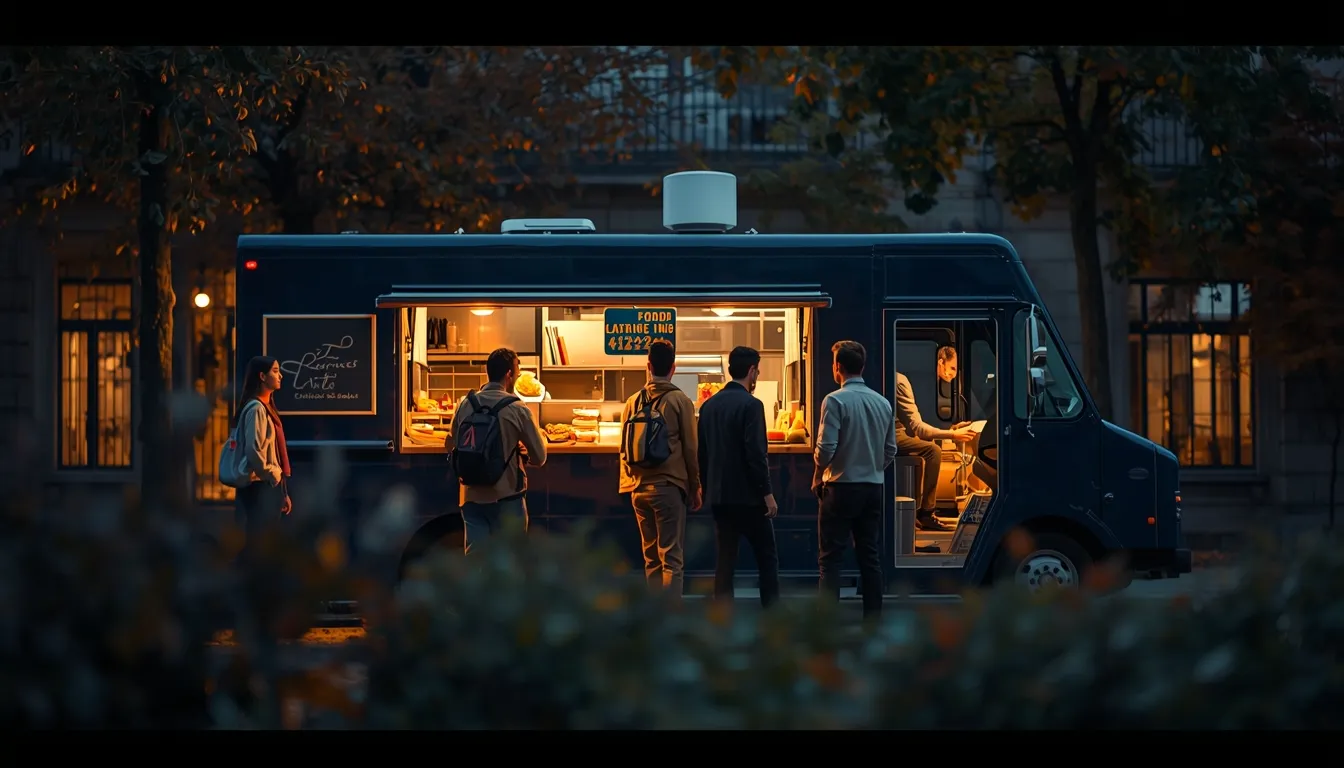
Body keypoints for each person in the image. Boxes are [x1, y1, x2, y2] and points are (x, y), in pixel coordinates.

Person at [813, 340, 896, 621]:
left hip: (840, 488)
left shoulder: (835, 400)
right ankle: (873, 622)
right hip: (873, 488)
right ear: (862, 366)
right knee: (869, 558)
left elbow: (825, 449)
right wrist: (873, 466)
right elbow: (891, 449)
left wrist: (822, 467)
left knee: (830, 560)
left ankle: (827, 625)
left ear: (838, 367)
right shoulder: (882, 403)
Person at [698, 345, 779, 608]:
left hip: (720, 497)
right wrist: (767, 494)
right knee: (767, 558)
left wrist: (704, 488)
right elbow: (756, 454)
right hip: (750, 498)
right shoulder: (752, 405)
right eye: (758, 371)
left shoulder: (708, 406)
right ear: (752, 371)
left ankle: (722, 621)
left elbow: (702, 454)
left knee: (725, 562)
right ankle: (773, 617)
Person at [619, 339, 701, 598]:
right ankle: (670, 619)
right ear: (673, 367)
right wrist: (695, 486)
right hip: (668, 488)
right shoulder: (680, 400)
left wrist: (629, 483)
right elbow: (691, 449)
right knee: (672, 558)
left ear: (648, 366)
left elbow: (623, 447)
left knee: (651, 557)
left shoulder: (632, 401)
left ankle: (653, 618)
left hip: (639, 489)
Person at [450, 347, 548, 553]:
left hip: (470, 496)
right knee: (510, 563)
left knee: (476, 563)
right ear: (509, 374)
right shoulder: (518, 408)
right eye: (517, 373)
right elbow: (539, 457)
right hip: (507, 497)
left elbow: (451, 444)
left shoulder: (464, 404)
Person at [895, 345, 977, 532]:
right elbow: (918, 428)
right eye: (953, 368)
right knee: (933, 450)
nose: (954, 374)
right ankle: (926, 513)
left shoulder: (913, 381)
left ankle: (917, 510)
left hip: (898, 430)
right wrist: (952, 435)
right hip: (891, 433)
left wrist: (949, 429)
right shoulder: (901, 381)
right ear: (940, 362)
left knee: (928, 445)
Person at [234, 355, 292, 558]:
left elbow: (272, 451)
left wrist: (282, 491)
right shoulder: (257, 409)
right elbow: (254, 451)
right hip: (259, 486)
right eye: (275, 371)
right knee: (260, 543)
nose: (280, 376)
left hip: (266, 485)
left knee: (265, 541)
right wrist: (273, 475)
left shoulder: (266, 408)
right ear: (262, 376)